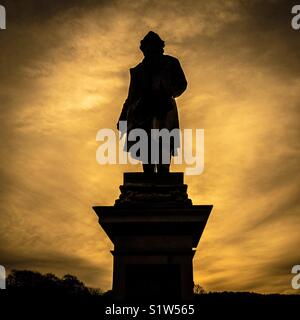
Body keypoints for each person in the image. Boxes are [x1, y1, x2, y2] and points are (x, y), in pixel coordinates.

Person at [117, 31, 187, 174]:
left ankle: (163, 177)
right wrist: (123, 117)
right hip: (143, 112)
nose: (150, 50)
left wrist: (168, 93)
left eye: (153, 46)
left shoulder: (171, 63)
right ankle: (148, 180)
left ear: (160, 47)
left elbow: (182, 84)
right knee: (146, 150)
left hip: (164, 110)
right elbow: (131, 98)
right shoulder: (138, 71)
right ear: (143, 49)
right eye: (147, 47)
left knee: (164, 147)